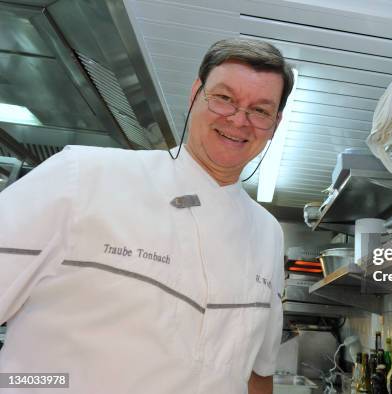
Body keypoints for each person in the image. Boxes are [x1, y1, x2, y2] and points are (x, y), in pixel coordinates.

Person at [0, 38, 294, 394]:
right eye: (224, 98)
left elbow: (256, 375)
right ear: (196, 94)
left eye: (260, 110)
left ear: (274, 124)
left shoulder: (268, 233)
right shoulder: (82, 176)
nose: (238, 120)